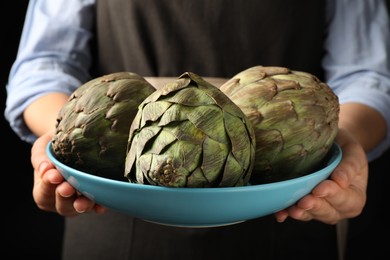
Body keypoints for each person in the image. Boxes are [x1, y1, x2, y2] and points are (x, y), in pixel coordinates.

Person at [4, 0, 390, 259]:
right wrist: (74, 135)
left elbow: (367, 74)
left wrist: (343, 139)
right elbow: (43, 66)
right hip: (112, 201)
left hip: (286, 199)